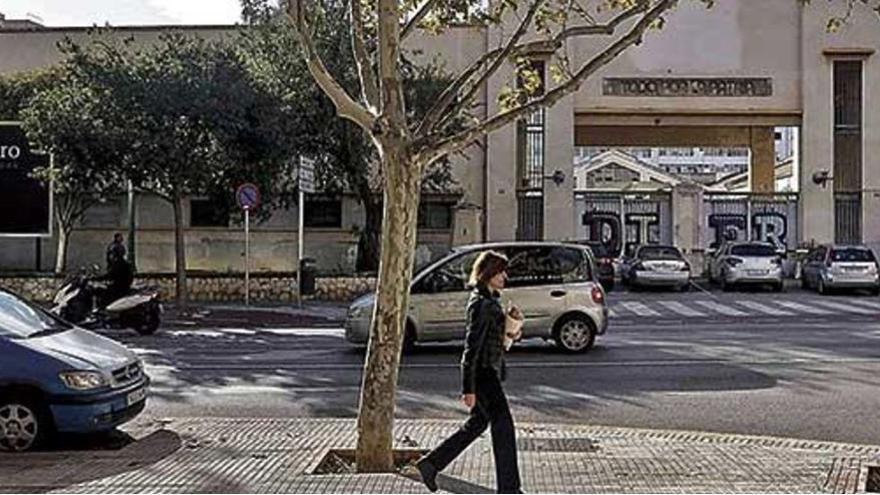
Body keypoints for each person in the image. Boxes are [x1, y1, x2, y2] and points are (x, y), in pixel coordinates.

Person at [416, 250, 523, 494]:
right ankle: (509, 489)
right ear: (489, 274)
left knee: (477, 424)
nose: (505, 276)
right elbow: (471, 347)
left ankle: (431, 464)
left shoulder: (490, 300)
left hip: (489, 371)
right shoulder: (481, 305)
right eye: (500, 272)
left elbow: (493, 339)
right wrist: (468, 388)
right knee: (503, 426)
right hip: (483, 374)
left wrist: (512, 331)